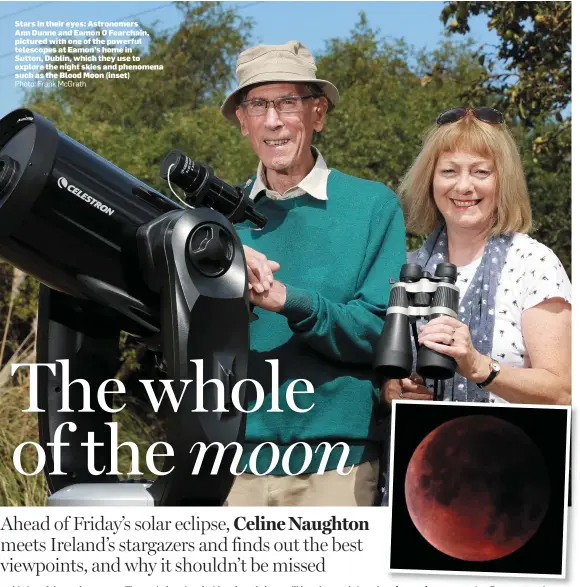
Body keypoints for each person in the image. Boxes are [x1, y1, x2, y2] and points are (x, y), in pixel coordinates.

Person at [220, 40, 407, 506]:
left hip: (336, 468)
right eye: (258, 105)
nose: (273, 120)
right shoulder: (217, 224)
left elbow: (378, 333)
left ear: (318, 114)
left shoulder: (371, 206)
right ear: (243, 122)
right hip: (234, 464)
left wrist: (286, 299)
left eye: (288, 103)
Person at [382, 107, 571, 408]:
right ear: (430, 182)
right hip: (422, 450)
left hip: (508, 449)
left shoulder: (533, 264)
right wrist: (393, 391)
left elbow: (564, 391)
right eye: (449, 171)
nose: (464, 186)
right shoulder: (408, 269)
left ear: (502, 182)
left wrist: (479, 366)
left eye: (481, 171)